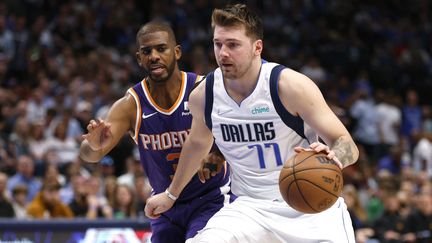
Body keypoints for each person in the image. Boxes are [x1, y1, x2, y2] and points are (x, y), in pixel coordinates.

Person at [145, 4, 359, 243]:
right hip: (250, 208)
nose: (223, 53)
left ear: (257, 47)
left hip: (312, 210)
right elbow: (196, 144)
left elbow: (348, 145)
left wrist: (333, 155)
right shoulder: (204, 96)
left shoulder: (290, 87)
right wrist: (171, 195)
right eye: (218, 44)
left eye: (233, 45)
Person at [79, 21, 230, 242]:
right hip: (165, 207)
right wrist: (93, 146)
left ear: (176, 52)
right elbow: (88, 155)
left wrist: (219, 154)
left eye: (161, 48)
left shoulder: (203, 89)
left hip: (210, 199)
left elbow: (240, 135)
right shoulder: (131, 105)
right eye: (147, 51)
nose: (154, 56)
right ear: (139, 58)